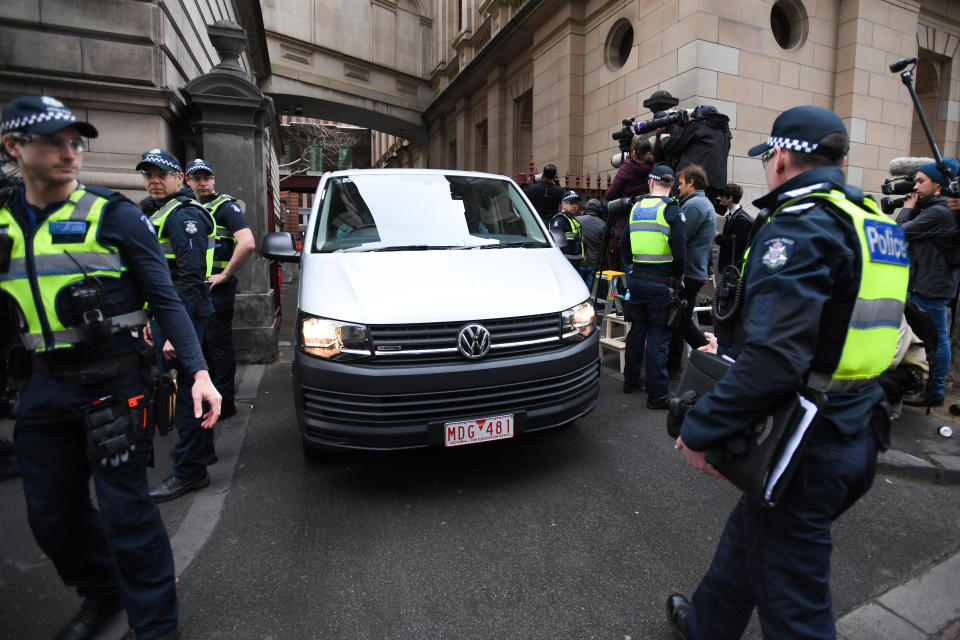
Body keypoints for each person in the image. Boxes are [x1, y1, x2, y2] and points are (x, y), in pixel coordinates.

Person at [667, 105, 909, 639]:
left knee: (793, 605)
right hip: (859, 422)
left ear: (779, 158)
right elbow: (840, 326)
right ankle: (708, 624)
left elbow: (777, 359)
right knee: (751, 534)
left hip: (807, 442)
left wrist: (701, 429)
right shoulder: (872, 219)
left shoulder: (801, 225)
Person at [0, 94, 220, 640]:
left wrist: (198, 371)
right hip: (43, 388)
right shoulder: (4, 221)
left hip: (113, 384)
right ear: (14, 147)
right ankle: (102, 592)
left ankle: (155, 626)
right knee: (51, 517)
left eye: (75, 141)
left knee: (127, 515)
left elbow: (167, 296)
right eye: (54, 141)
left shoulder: (114, 215)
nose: (70, 152)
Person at [136, 149, 219, 502]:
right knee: (190, 392)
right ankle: (201, 455)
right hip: (176, 315)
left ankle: (190, 472)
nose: (154, 180)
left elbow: (188, 278)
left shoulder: (184, 215)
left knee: (188, 396)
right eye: (148, 174)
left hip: (185, 316)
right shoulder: (162, 211)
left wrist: (172, 331)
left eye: (161, 174)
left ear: (179, 178)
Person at [184, 158, 255, 422]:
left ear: (213, 179)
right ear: (187, 180)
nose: (202, 183)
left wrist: (225, 274)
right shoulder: (186, 207)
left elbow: (247, 243)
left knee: (217, 345)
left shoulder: (225, 206)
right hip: (194, 288)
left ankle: (224, 405)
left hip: (217, 289)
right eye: (197, 178)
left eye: (206, 177)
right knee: (200, 345)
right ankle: (207, 397)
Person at [618, 165, 686, 409]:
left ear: (650, 183)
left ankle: (630, 381)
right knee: (659, 337)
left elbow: (623, 244)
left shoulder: (636, 208)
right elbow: (680, 252)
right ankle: (657, 395)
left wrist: (632, 269)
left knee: (637, 331)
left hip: (637, 281)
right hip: (661, 283)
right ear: (672, 185)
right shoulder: (672, 210)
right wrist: (678, 277)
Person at [895, 157, 960, 407]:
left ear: (939, 185)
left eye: (921, 181)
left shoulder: (939, 212)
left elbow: (897, 233)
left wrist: (907, 209)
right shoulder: (935, 209)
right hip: (927, 282)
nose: (916, 187)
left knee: (937, 337)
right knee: (932, 336)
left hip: (932, 285)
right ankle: (927, 386)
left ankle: (934, 390)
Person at [667, 164, 714, 376]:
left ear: (692, 183)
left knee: (682, 321)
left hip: (688, 274)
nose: (677, 186)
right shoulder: (701, 203)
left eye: (681, 182)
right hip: (694, 271)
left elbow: (680, 239)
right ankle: (673, 366)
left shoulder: (694, 205)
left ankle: (710, 358)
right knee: (677, 321)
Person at [714, 183, 751, 274]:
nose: (720, 199)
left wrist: (718, 237)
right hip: (730, 267)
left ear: (730, 198)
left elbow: (736, 245)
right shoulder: (734, 215)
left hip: (734, 268)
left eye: (722, 196)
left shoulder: (741, 219)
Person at [575, 198, 606, 289]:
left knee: (578, 289)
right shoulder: (603, 224)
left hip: (579, 261)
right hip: (594, 263)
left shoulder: (576, 220)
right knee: (590, 292)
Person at [549, 190, 584, 265]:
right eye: (571, 203)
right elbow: (557, 246)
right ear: (563, 204)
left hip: (576, 262)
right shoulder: (559, 221)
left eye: (576, 203)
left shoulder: (574, 221)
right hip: (564, 263)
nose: (574, 206)